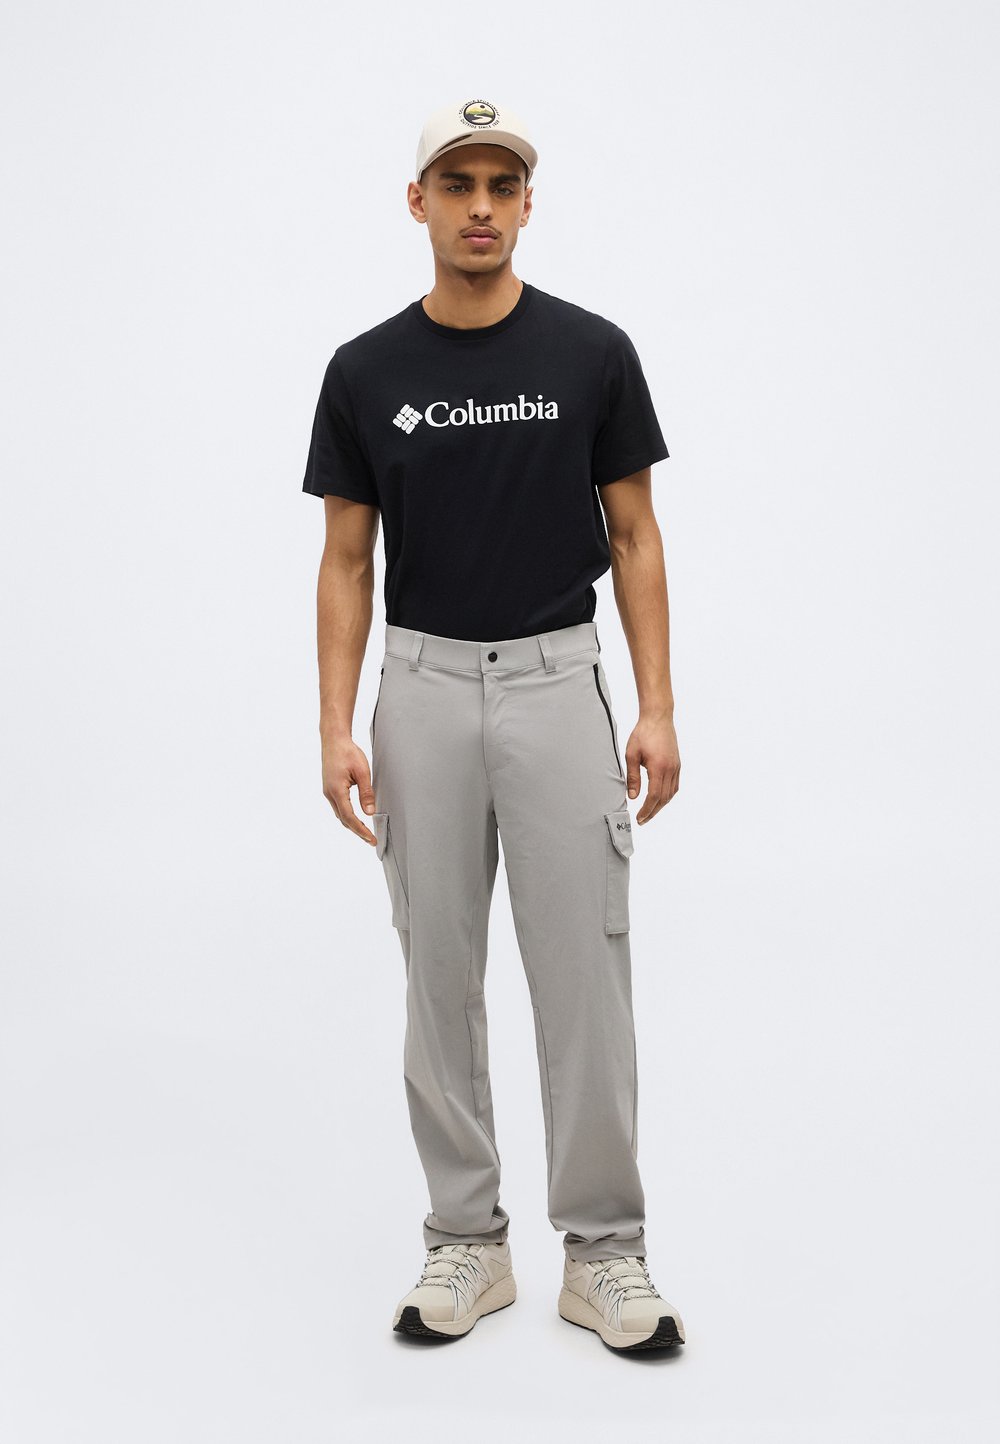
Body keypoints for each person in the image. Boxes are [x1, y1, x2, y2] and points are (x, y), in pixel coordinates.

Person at [301, 97, 686, 1353]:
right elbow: (346, 559)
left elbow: (633, 534)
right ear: (417, 201)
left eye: (501, 185)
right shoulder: (365, 372)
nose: (480, 206)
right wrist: (336, 724)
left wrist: (656, 706)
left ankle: (605, 1253)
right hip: (418, 689)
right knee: (437, 972)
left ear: (526, 203)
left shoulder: (591, 353)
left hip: (556, 681)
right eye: (457, 183)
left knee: (585, 972)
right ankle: (466, 1240)